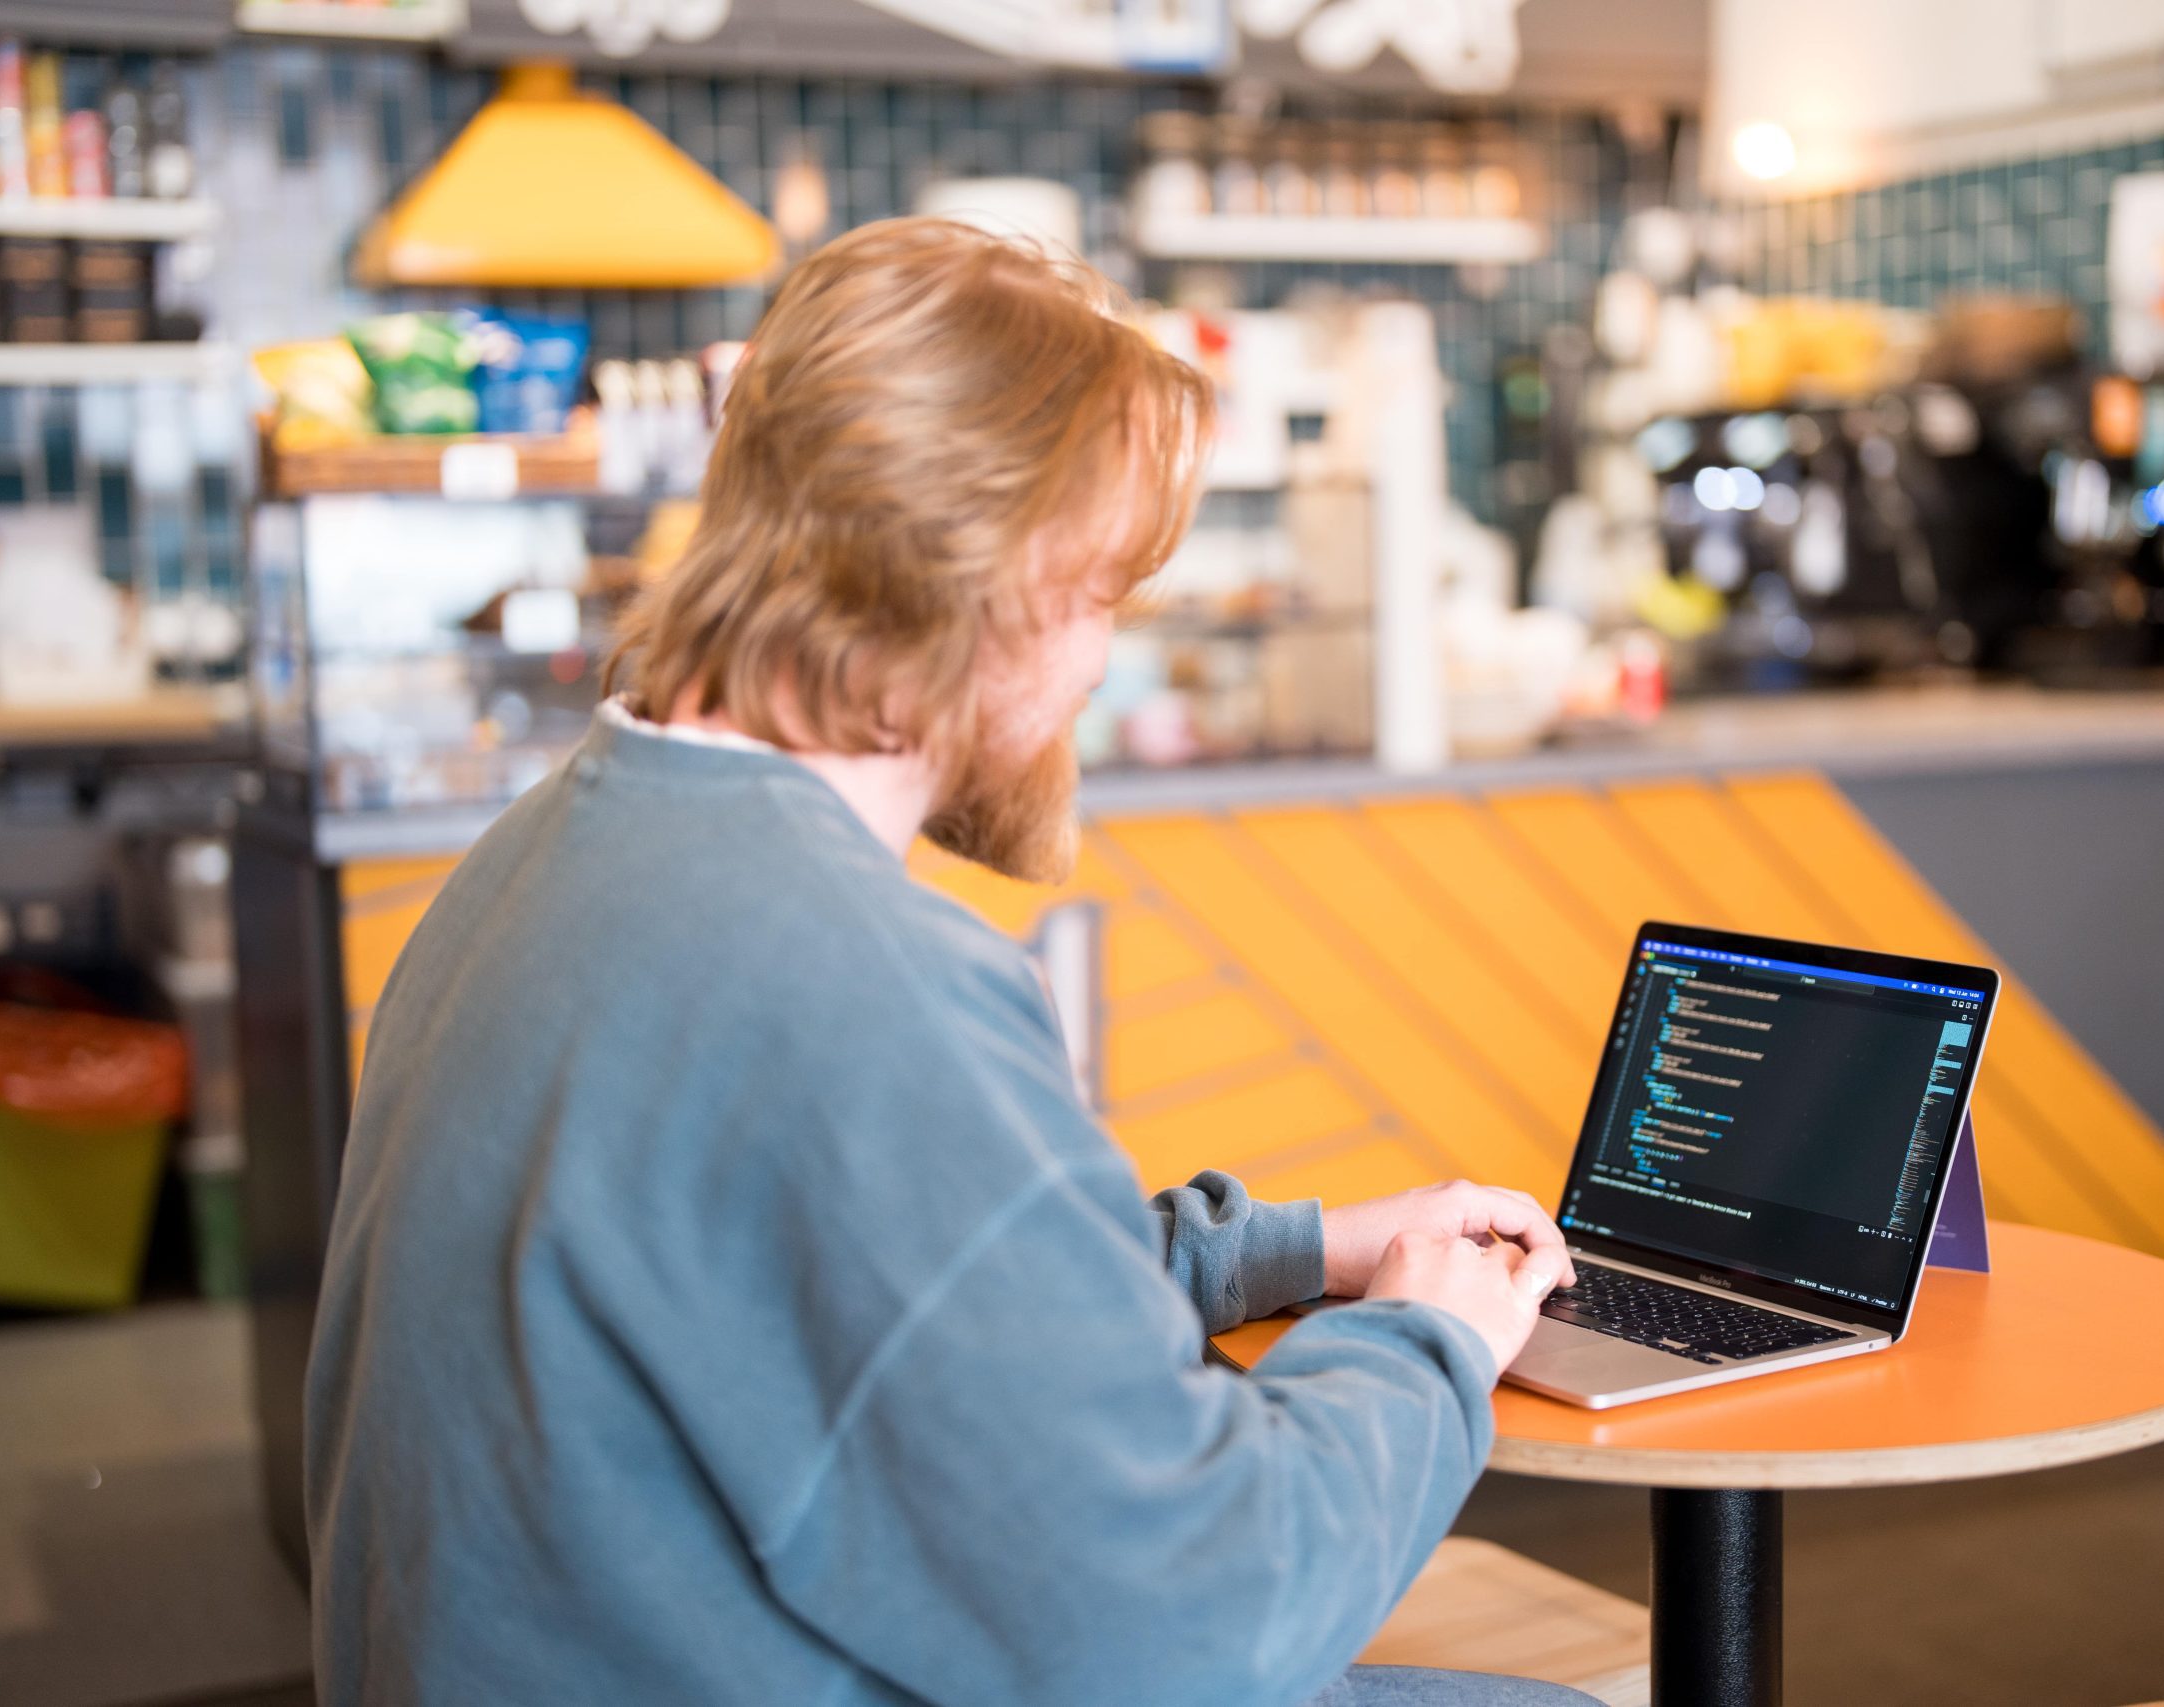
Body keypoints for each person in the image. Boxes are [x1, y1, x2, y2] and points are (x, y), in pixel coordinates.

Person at [306, 218, 1594, 1707]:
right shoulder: (863, 986)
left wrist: (1309, 1251)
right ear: (999, 576)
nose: (1101, 661)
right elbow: (1204, 1622)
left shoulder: (547, 858)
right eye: (1104, 591)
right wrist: (1428, 1341)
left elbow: (882, 1294)